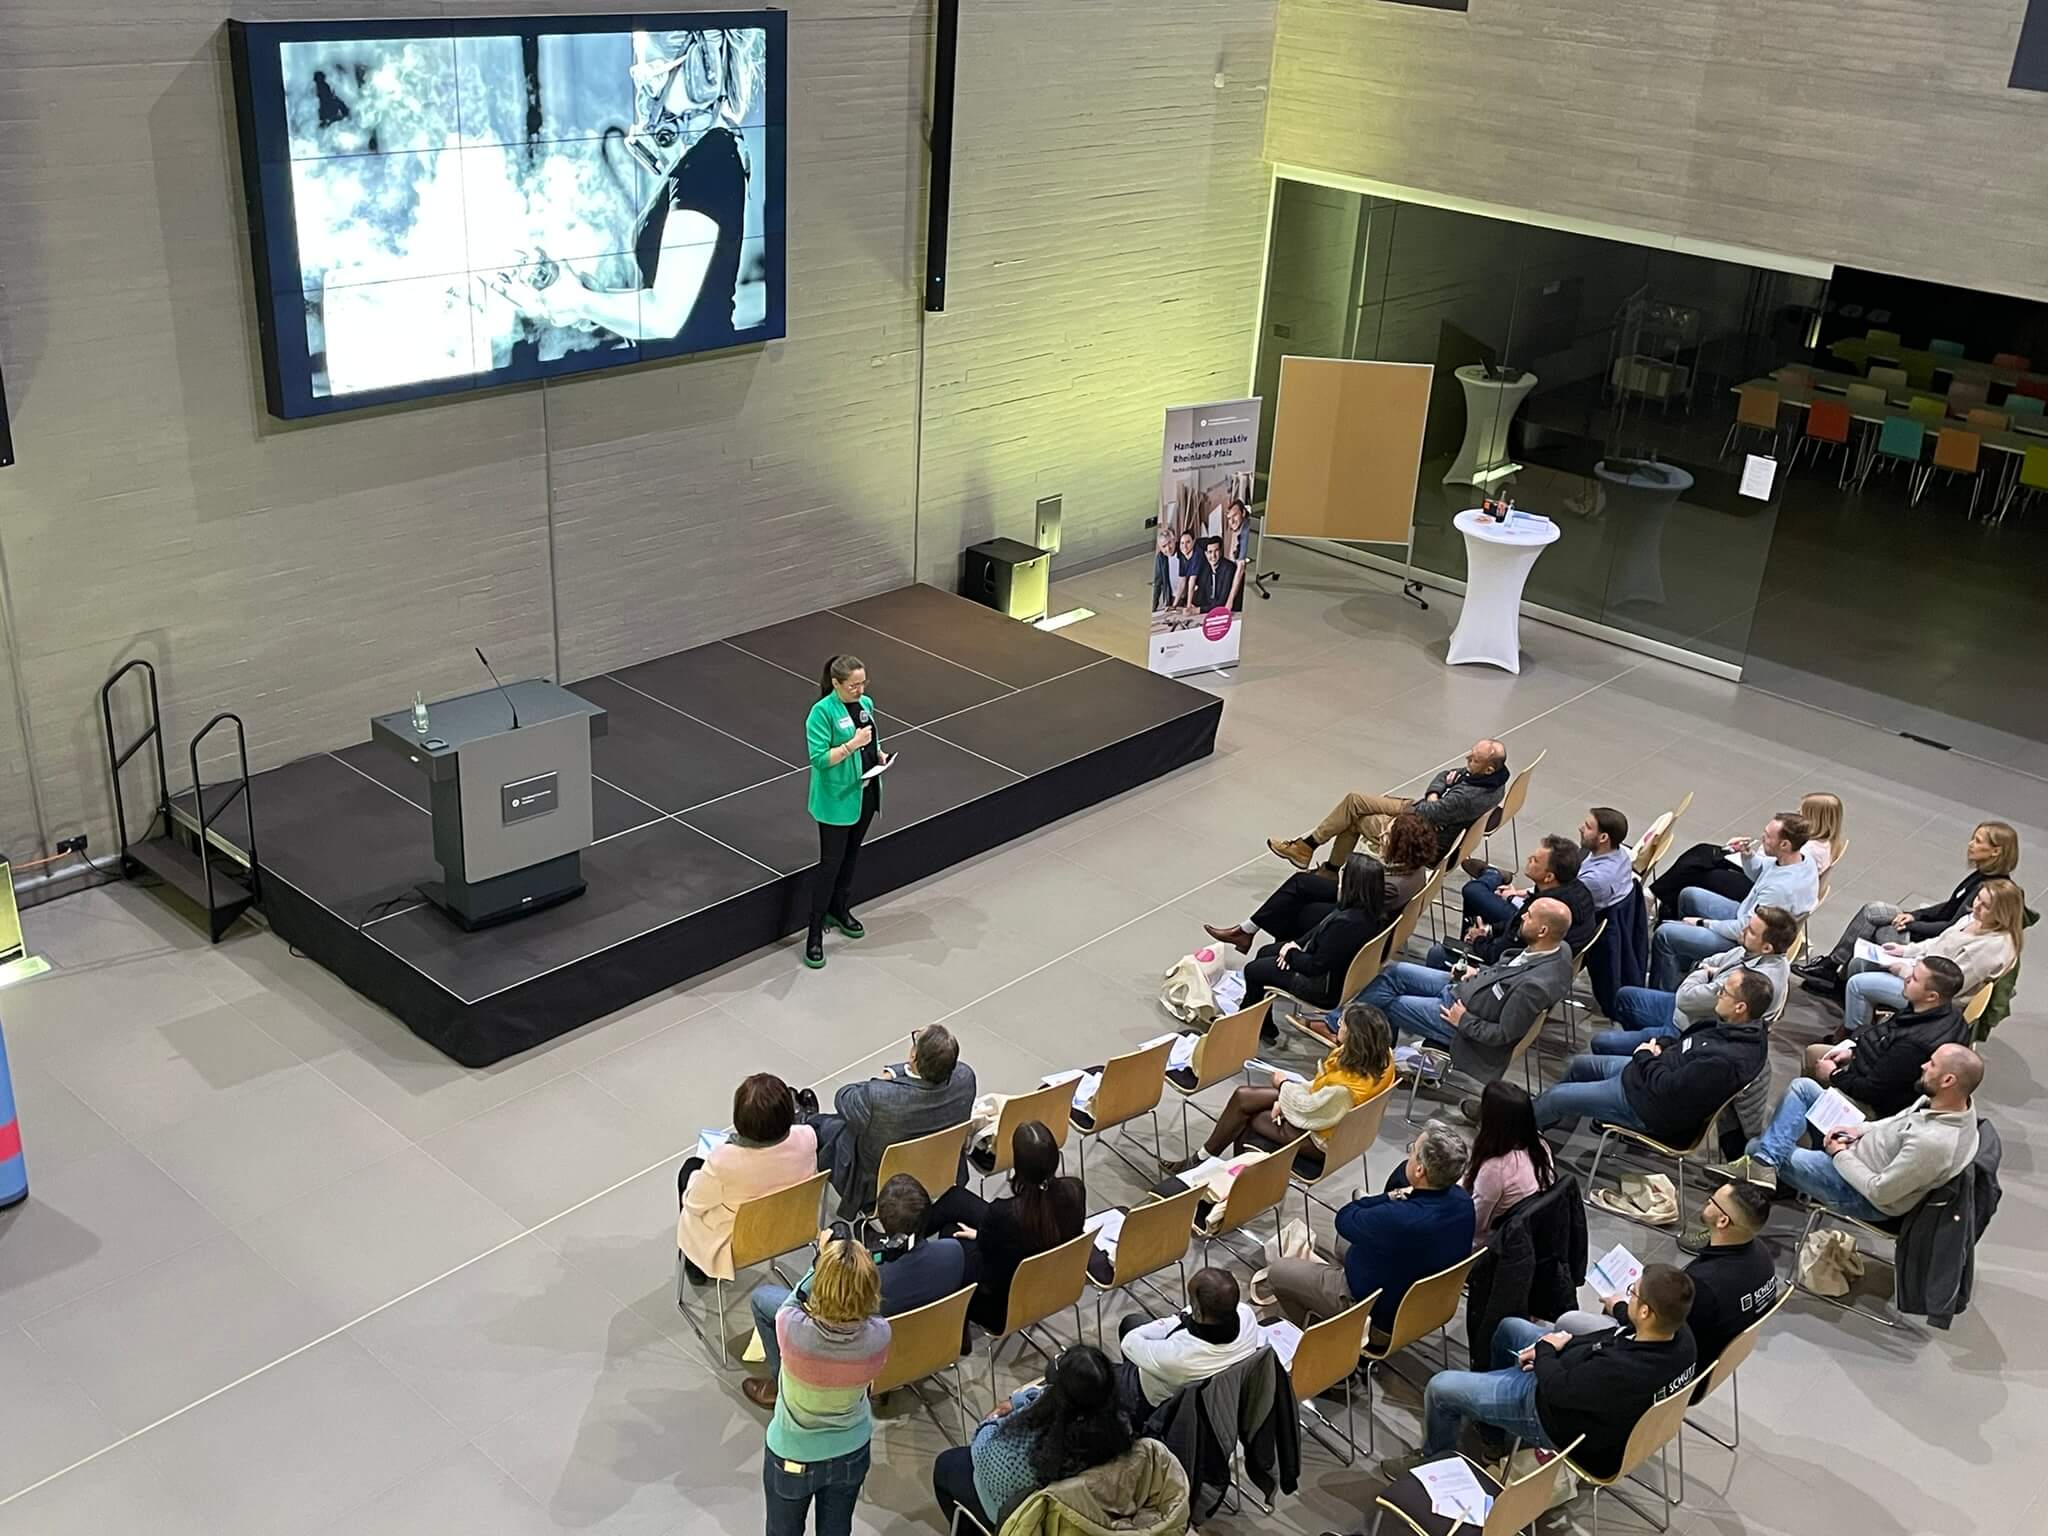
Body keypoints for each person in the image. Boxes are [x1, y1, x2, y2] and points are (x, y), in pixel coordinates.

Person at [487, 30, 768, 351]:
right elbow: (677, 297)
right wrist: (593, 299)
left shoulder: (710, 160)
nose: (644, 90)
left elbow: (664, 317)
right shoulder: (703, 156)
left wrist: (580, 301)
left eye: (652, 72)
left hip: (694, 378)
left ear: (703, 69)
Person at [1386, 1264, 1697, 1484]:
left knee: (1441, 1388)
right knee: (1510, 1327)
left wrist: (1547, 1350)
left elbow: (1558, 1389)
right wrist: (1609, 1315)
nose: (1629, 1296)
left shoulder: (1621, 1370)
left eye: (1634, 1294)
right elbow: (1615, 1338)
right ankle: (1491, 1431)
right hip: (1573, 1376)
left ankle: (1433, 1459)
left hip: (1552, 1416)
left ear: (1645, 1312)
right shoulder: (1680, 1338)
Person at [745, 1175, 971, 1406]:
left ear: (882, 1220)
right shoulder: (954, 1251)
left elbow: (821, 1304)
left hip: (866, 1353)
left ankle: (780, 1384)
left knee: (762, 1299)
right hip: (933, 1348)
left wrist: (823, 1261)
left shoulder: (869, 1278)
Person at [1265, 1121, 1474, 1334]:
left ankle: (1328, 1336)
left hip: (1371, 1307)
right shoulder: (1464, 1203)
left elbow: (1345, 1217)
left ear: (1420, 1170)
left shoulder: (1399, 1218)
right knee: (1347, 1239)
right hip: (1422, 1303)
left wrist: (1390, 1196)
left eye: (1412, 1150)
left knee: (1278, 1272)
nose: (1408, 1155)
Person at [1725, 1044, 1982, 1213]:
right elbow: (1898, 1120)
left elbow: (1880, 1192)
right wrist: (1861, 1130)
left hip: (1858, 1190)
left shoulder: (1934, 1143)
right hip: (1857, 1146)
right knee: (1803, 1088)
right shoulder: (1947, 1102)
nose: (1924, 1065)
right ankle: (1768, 1165)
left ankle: (1765, 1164)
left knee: (1755, 1147)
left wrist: (1839, 1154)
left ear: (1949, 1080)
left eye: (1933, 1064)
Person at [752, 1233, 892, 1535]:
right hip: (852, 1450)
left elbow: (797, 1296)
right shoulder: (880, 1335)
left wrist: (821, 1262)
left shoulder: (791, 1327)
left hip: (793, 1455)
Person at [1557, 1184, 1777, 1373]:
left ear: (1722, 1221)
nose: (1706, 1202)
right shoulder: (1761, 1255)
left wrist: (1621, 1308)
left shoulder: (1704, 1285)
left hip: (1672, 1366)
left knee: (1568, 1321)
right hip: (1717, 1359)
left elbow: (1659, 1332)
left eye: (1712, 1201)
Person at [1535, 967, 1772, 1141]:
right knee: (1579, 1066)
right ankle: (1540, 1124)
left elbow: (1666, 1088)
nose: (1717, 993)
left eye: (1724, 992)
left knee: (1556, 1097)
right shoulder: (1737, 1027)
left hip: (1646, 1104)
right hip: (1647, 1073)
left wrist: (1645, 1056)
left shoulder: (1726, 1061)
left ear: (1741, 1007)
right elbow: (1685, 1042)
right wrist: (1662, 1043)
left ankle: (1514, 1137)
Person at [1361, 898, 1575, 1083]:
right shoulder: (1557, 947)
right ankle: (1339, 1026)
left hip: (1459, 1023)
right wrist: (1479, 971)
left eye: (1529, 916)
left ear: (1543, 931)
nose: (1522, 918)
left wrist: (1463, 1020)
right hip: (1465, 987)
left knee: (1389, 1004)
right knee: (1395, 971)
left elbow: (1503, 1034)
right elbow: (1507, 970)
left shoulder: (1534, 987)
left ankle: (1373, 1061)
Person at [1162, 1003, 1394, 1171]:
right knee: (1244, 1097)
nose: (1339, 1025)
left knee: (1251, 1120)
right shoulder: (1382, 1058)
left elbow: (1311, 1109)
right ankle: (1201, 1160)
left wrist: (1283, 1085)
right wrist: (1282, 1099)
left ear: (1355, 1037)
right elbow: (1319, 1094)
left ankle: (1229, 1186)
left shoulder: (1344, 1089)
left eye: (1343, 1024)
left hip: (1322, 1139)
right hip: (1328, 1114)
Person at [1795, 821, 2020, 993]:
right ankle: (1833, 965)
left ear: (1996, 851)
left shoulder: (1989, 891)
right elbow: (1948, 906)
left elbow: (1949, 927)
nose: (1971, 844)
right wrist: (1912, 915)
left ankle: (1846, 978)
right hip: (1928, 931)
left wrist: (1915, 926)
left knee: (1883, 930)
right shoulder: (1980, 875)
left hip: (1931, 945)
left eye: (1978, 841)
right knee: (1874, 910)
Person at [932, 1344, 1133, 1532]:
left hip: (1023, 1520)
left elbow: (981, 1449)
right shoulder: (1121, 1428)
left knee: (946, 1464)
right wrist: (1022, 1401)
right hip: (1081, 1518)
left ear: (1057, 1391)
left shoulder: (1016, 1451)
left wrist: (992, 1420)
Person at [928, 1120, 1086, 1334]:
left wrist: (982, 1235)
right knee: (956, 1198)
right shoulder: (1074, 1191)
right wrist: (983, 1234)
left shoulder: (1004, 1213)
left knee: (950, 1232)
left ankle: (955, 1319)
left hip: (999, 1304)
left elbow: (990, 1249)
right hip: (1047, 1280)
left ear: (1018, 1165)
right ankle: (905, 1236)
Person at [808, 1025, 977, 1218]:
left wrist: (885, 1079)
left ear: (913, 1056)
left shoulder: (879, 1097)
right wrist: (898, 1072)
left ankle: (805, 1123)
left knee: (829, 1125)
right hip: (939, 1169)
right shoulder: (965, 1078)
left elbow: (844, 1097)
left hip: (879, 1181)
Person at [1268, 739, 1510, 871]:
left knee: (1355, 819)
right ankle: (1310, 851)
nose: (1467, 759)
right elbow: (1445, 775)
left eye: (1474, 759)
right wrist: (1437, 793)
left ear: (1488, 767)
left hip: (1420, 835)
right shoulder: (1493, 778)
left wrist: (1434, 798)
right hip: (1421, 815)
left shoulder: (1468, 796)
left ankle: (1320, 863)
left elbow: (1431, 809)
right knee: (1354, 800)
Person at [1591, 906, 1797, 1056]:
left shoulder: (1752, 982)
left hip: (1690, 1027)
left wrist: (1703, 973)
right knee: (1624, 996)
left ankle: (1646, 1059)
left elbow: (1687, 999)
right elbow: (1714, 960)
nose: (1743, 931)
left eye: (1751, 931)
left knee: (1601, 1042)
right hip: (1691, 1009)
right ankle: (1639, 1054)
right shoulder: (1758, 952)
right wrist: (1706, 971)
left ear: (1768, 947)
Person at [680, 1073, 821, 1286]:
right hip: (794, 1226)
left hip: (737, 1245)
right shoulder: (808, 1136)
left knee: (689, 1170)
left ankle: (694, 1265)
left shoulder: (723, 1161)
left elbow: (693, 1205)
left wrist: (696, 1179)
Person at [1649, 811, 1817, 989]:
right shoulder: (1801, 861)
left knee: (1665, 934)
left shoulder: (1780, 890)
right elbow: (1760, 872)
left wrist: (1702, 923)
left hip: (1745, 940)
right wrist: (1747, 854)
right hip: (1746, 916)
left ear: (1784, 844)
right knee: (1689, 895)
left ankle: (1663, 990)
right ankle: (1682, 964)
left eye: (1768, 836)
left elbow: (1744, 929)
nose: (1762, 838)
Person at [1840, 878, 2023, 1032]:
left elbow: (1949, 986)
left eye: (1986, 906)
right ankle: (1861, 1021)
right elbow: (1939, 942)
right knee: (1859, 964)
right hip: (1922, 971)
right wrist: (1905, 950)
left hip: (1933, 999)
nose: (1976, 906)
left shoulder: (1991, 948)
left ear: (2001, 913)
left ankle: (1855, 1039)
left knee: (1858, 985)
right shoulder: (1974, 919)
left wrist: (1904, 972)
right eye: (1978, 899)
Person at [803, 655, 891, 968]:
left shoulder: (866, 703)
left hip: (865, 793)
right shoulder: (821, 713)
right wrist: (853, 745)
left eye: (862, 683)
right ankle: (814, 932)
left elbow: (871, 738)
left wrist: (876, 753)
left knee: (852, 856)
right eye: (853, 685)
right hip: (837, 799)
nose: (859, 689)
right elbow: (820, 759)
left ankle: (840, 909)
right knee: (830, 864)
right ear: (837, 683)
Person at [1803, 957, 1968, 1119]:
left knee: (1802, 1088)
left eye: (1915, 979)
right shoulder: (1944, 1012)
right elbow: (1884, 1038)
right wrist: (1852, 1052)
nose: (1907, 978)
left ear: (1932, 996)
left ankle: (1814, 1128)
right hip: (1872, 1070)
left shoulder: (1914, 1046)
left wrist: (1833, 1075)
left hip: (1877, 1109)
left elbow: (1872, 1092)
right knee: (1814, 1053)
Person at [1236, 853, 1391, 1012]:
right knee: (1264, 952)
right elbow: (1320, 929)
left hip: (1322, 987)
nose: (1340, 876)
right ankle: (1258, 1020)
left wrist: (1290, 955)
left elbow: (1315, 966)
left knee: (1254, 970)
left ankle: (1246, 1022)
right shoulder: (1370, 912)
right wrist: (1295, 944)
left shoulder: (1346, 924)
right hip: (1334, 971)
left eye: (1344, 872)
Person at [1114, 1267, 1264, 1416]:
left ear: (1197, 1311)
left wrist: (1177, 1319)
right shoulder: (1247, 1316)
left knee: (1099, 1375)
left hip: (1155, 1399)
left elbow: (1129, 1342)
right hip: (1217, 1388)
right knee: (1133, 1322)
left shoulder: (1177, 1356)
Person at [1435, 833, 1595, 966]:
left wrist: (1478, 940)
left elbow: (1497, 955)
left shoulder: (1541, 913)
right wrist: (1490, 930)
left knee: (1438, 954)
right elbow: (1514, 924)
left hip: (1510, 973)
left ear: (1549, 877)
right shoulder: (1578, 890)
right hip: (1547, 965)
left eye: (1535, 860)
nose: (1529, 858)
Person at [1204, 850, 1392, 959]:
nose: (1383, 835)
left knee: (1297, 908)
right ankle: (1249, 931)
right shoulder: (1397, 874)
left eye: (1388, 834)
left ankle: (1273, 947)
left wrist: (1293, 956)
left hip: (1355, 904)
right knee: (1302, 883)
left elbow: (1317, 965)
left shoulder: (1387, 884)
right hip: (1359, 900)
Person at [1460, 1080, 1556, 1247]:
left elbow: (1475, 1224)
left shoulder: (1495, 1168)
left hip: (1487, 1244)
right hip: (1523, 1234)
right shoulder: (1541, 1147)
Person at [1573, 806, 1635, 910]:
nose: (1581, 828)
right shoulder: (1622, 853)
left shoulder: (1594, 880)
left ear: (1603, 838)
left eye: (1588, 827)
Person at [1190, 536, 1238, 611]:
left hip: (1233, 613)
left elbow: (1222, 602)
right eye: (1210, 552)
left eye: (1216, 551)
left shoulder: (1229, 568)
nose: (1213, 556)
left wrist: (1198, 610)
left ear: (1221, 551)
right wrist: (1193, 605)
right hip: (1213, 612)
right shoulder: (1206, 569)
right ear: (1206, 554)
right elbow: (1201, 596)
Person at [1168, 529, 1201, 607]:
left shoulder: (1197, 553)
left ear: (1193, 542)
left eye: (1188, 542)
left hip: (1203, 587)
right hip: (1195, 588)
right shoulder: (1182, 556)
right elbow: (1182, 582)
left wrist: (1188, 605)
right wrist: (1174, 605)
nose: (1184, 546)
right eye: (1182, 543)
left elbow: (1192, 581)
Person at [1150, 529, 1176, 611]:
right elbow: (1158, 582)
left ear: (1174, 540)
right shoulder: (1160, 558)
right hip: (1171, 598)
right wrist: (1153, 608)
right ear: (1160, 548)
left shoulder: (1183, 551)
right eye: (1164, 546)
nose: (1168, 548)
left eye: (1169, 543)